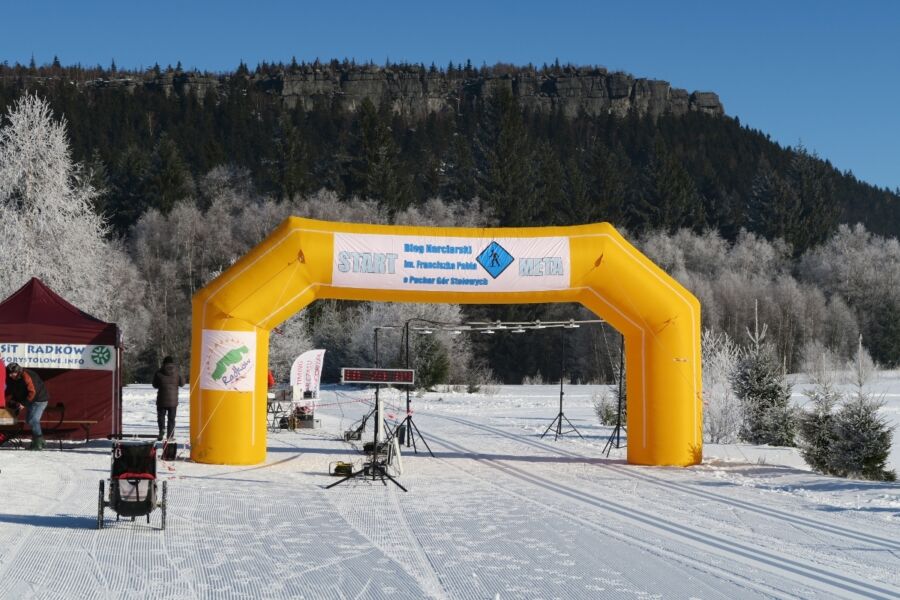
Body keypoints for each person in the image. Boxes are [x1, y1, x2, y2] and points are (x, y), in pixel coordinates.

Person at [6, 362, 50, 450]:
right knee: (29, 420)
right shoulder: (14, 379)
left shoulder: (27, 376)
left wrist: (24, 404)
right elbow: (18, 391)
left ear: (18, 371)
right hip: (31, 400)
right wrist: (14, 400)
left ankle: (38, 444)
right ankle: (41, 441)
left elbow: (33, 392)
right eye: (9, 373)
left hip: (39, 400)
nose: (11, 375)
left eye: (12, 373)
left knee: (33, 420)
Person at [152, 356, 184, 441]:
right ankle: (170, 436)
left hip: (161, 400)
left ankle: (161, 430)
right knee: (171, 419)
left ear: (163, 363)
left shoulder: (158, 372)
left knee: (161, 417)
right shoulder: (177, 372)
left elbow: (154, 385)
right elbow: (182, 383)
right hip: (173, 401)